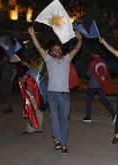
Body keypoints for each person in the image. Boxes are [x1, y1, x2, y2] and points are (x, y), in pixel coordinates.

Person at [28, 26, 82, 154]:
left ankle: (63, 143)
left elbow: (76, 49)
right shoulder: (49, 60)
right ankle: (57, 140)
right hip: (52, 94)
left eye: (58, 49)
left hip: (65, 95)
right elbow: (39, 48)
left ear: (61, 51)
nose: (57, 50)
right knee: (53, 116)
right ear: (51, 52)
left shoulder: (67, 59)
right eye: (54, 49)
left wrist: (79, 40)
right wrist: (33, 35)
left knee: (64, 119)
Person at [83, 51, 117, 123]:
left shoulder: (92, 62)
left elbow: (88, 74)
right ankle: (113, 113)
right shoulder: (103, 62)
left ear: (93, 54)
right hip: (101, 84)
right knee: (104, 100)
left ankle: (88, 117)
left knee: (89, 101)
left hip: (92, 85)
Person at [18, 55, 48, 134]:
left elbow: (29, 79)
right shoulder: (44, 70)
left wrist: (21, 79)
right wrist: (26, 64)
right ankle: (38, 128)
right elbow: (33, 69)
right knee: (39, 111)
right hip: (42, 95)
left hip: (34, 95)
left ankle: (30, 128)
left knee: (29, 111)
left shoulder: (35, 71)